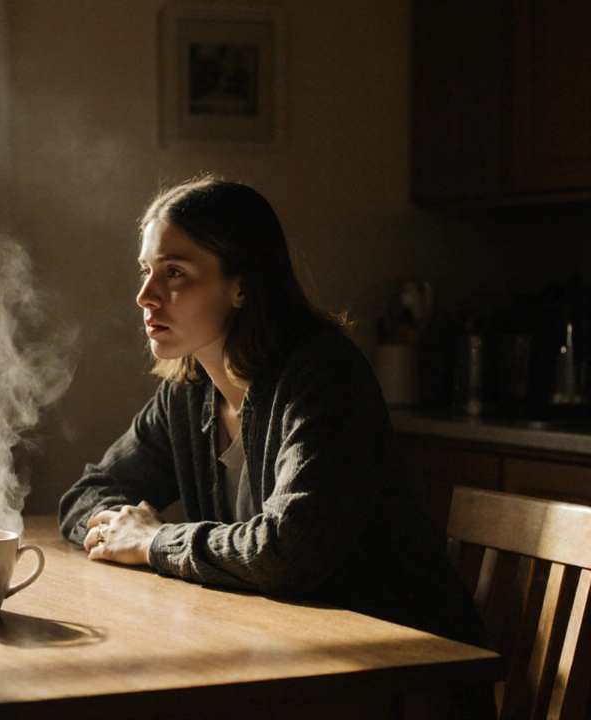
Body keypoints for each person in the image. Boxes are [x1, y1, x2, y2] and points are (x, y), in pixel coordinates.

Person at [58, 177, 492, 717]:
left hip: (405, 681)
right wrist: (115, 528)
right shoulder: (187, 393)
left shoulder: (324, 377)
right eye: (147, 271)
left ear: (242, 285)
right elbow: (87, 493)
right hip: (292, 666)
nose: (146, 295)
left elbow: (289, 553)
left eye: (175, 273)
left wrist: (153, 542)